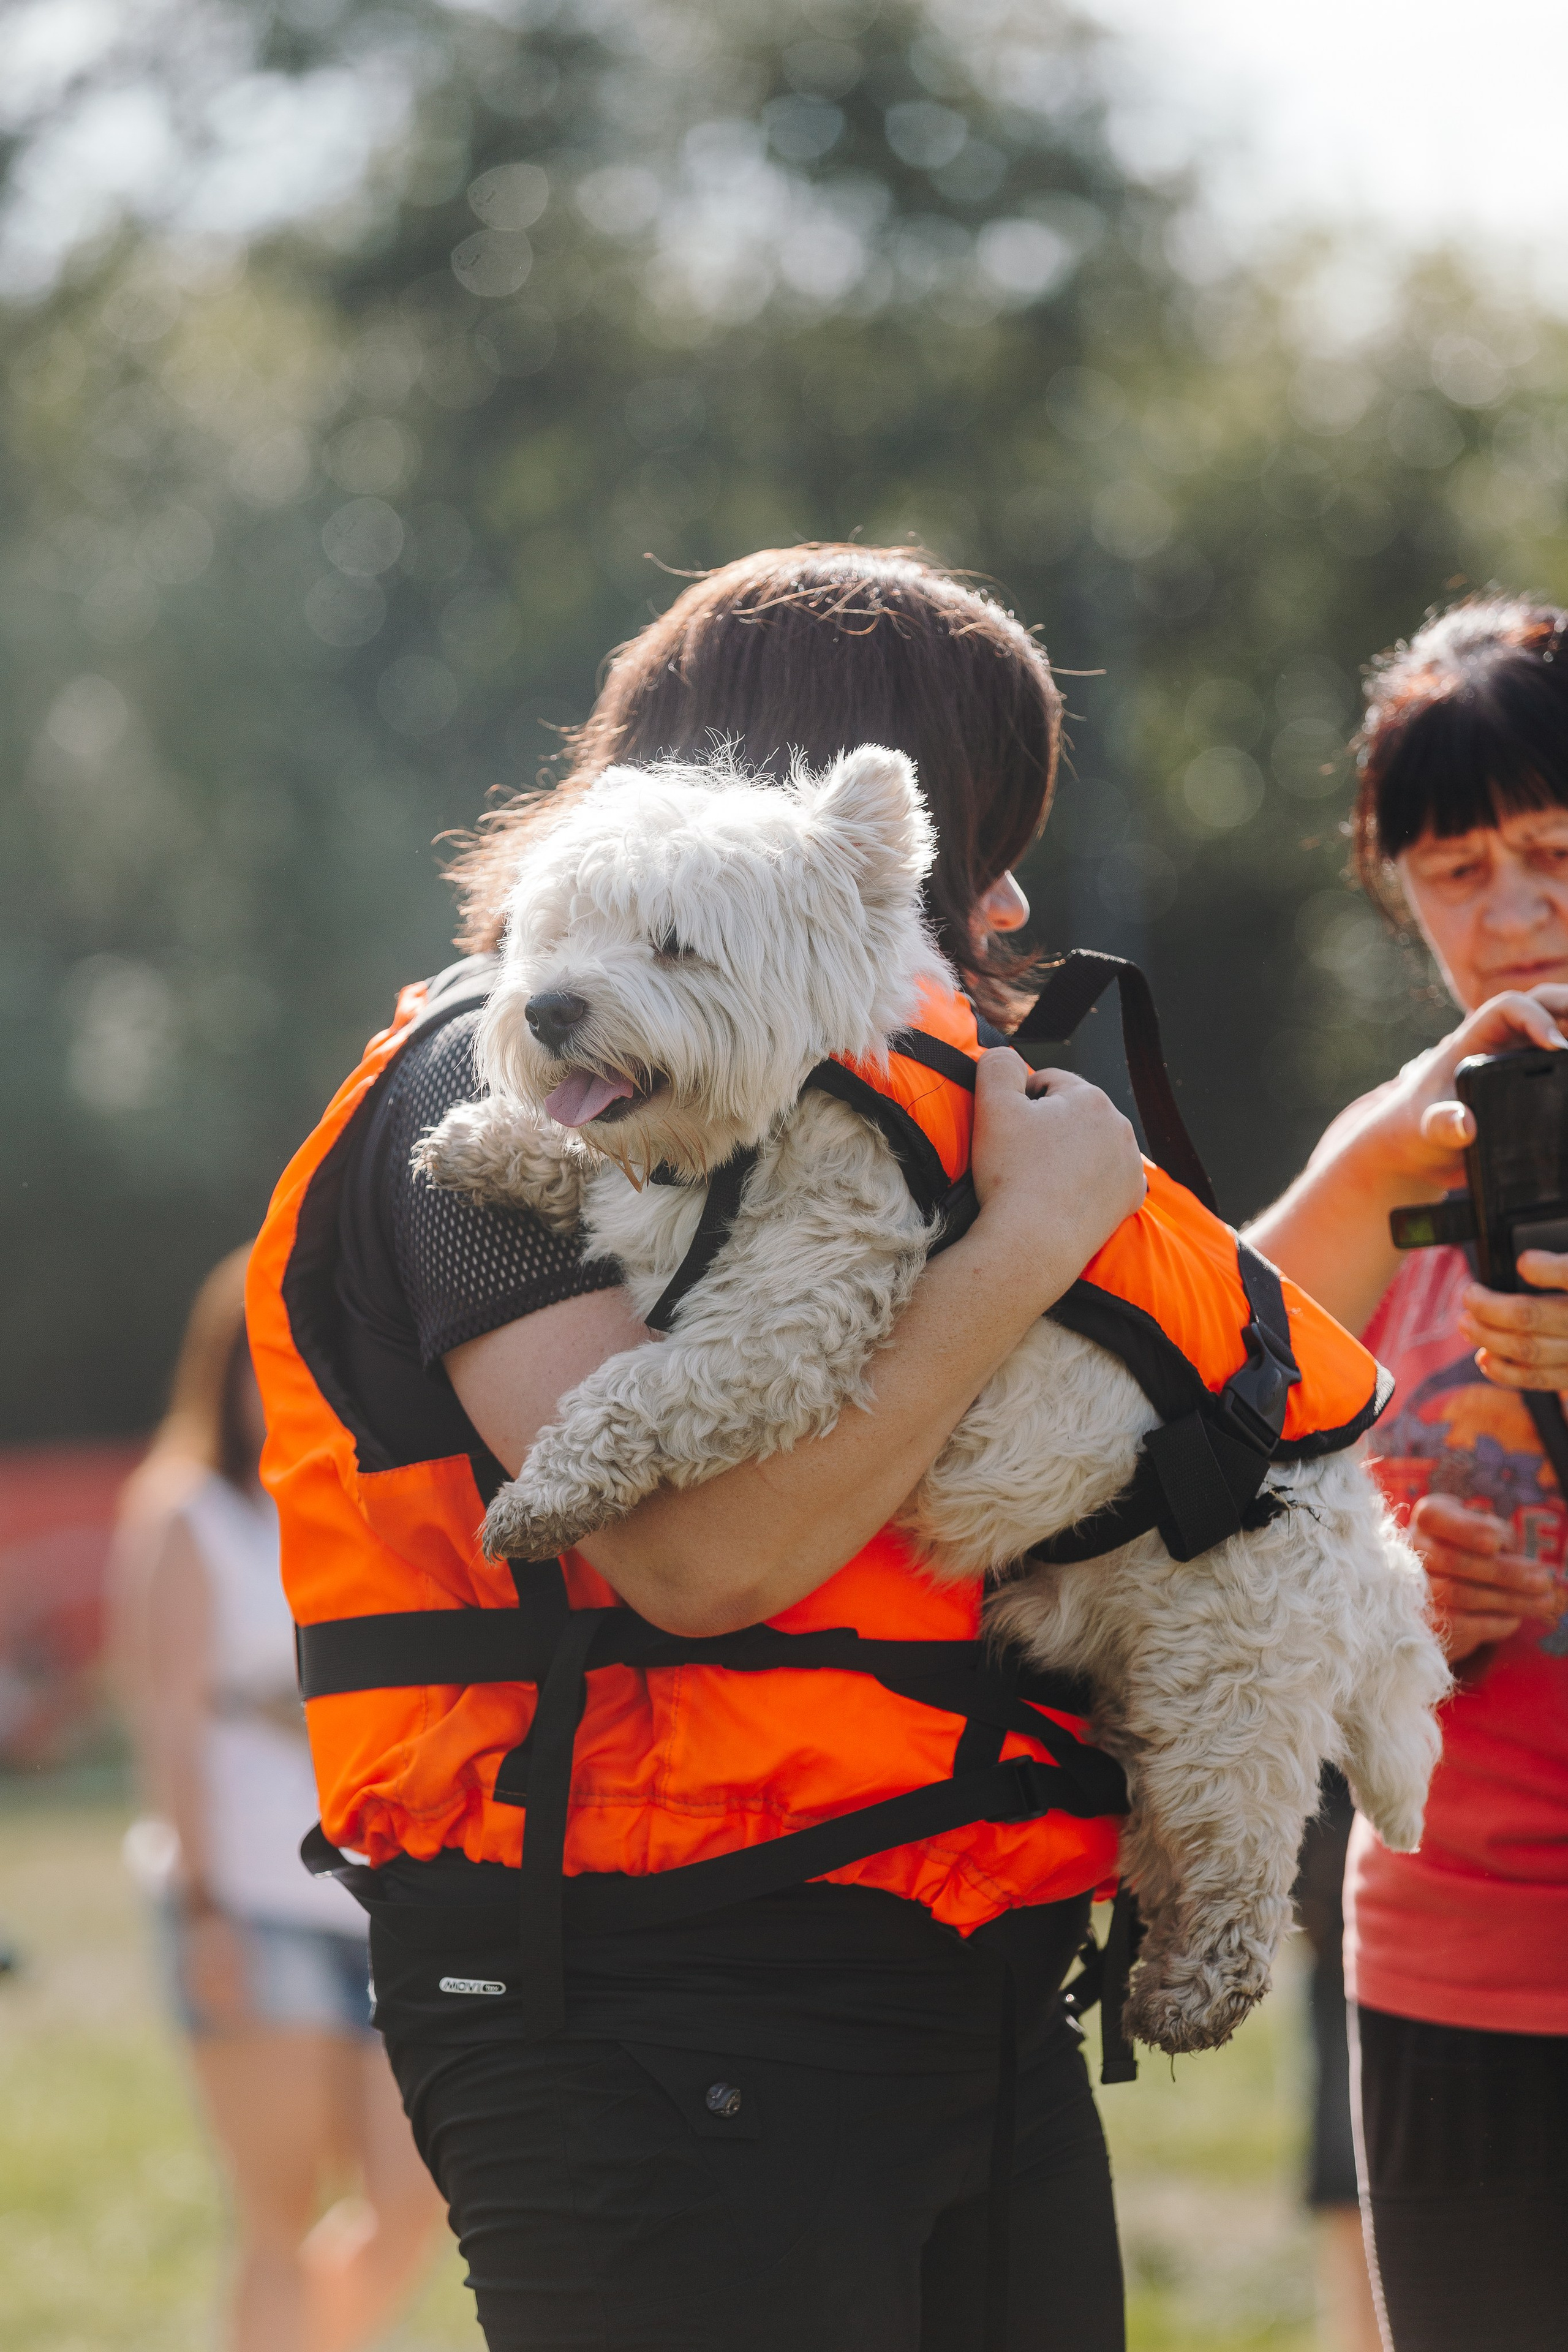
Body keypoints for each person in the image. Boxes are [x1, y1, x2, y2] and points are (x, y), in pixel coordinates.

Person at [248, 545, 1151, 2352]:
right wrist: (1026, 1245)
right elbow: (694, 1560)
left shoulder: (867, 1113)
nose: (1008, 890)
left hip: (953, 1971)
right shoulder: (492, 1086)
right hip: (653, 1998)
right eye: (986, 830)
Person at [1249, 594, 1568, 2352]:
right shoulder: (1395, 1156)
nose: (1510, 912)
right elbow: (1185, 1430)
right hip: (1448, 1951)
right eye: (1454, 869)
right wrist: (1397, 1605)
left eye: (1552, 849)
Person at [111, 1248, 445, 2352]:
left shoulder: (353, 1513)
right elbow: (165, 1724)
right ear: (228, 1372)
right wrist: (203, 1908)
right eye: (270, 1362)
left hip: (374, 1899)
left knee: (411, 2204)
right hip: (249, 1899)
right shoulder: (185, 1515)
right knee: (276, 2216)